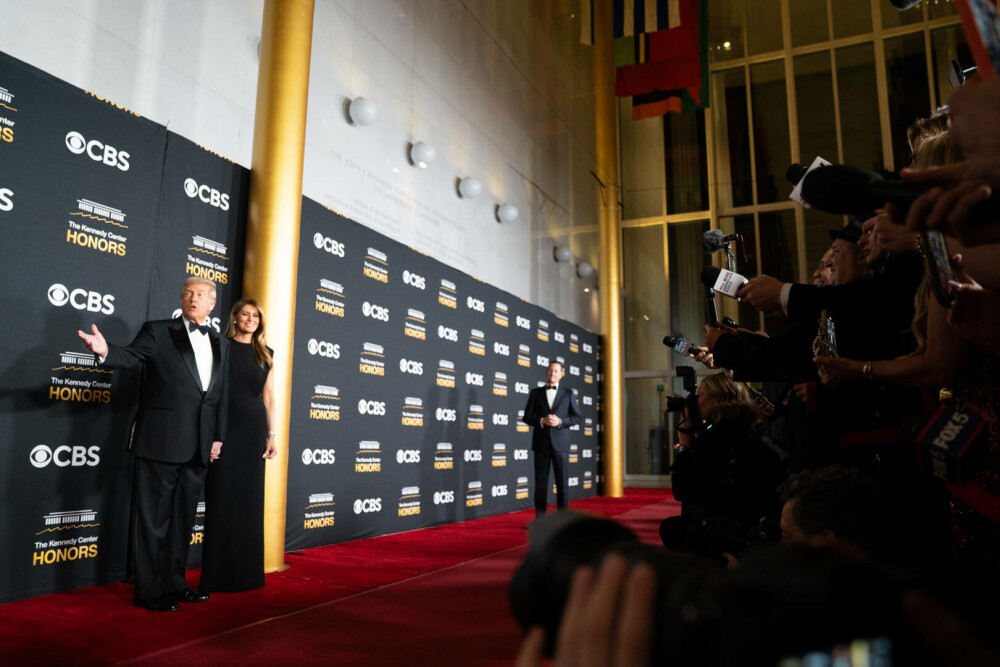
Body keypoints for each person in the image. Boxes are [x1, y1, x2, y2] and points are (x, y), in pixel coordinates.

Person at [77, 277, 228, 611]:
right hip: (161, 440)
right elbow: (131, 356)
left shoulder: (220, 341)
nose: (193, 298)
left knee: (183, 521)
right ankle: (148, 591)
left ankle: (175, 583)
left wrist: (218, 436)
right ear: (181, 299)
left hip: (200, 445)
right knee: (153, 521)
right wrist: (105, 350)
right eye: (187, 293)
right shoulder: (158, 331)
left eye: (200, 294)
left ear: (212, 303)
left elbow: (221, 394)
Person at [198, 298, 277, 594]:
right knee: (221, 498)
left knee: (249, 501)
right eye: (245, 314)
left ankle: (248, 575)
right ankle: (217, 576)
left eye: (255, 316)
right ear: (234, 317)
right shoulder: (220, 346)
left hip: (253, 431)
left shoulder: (266, 353)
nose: (250, 319)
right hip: (223, 429)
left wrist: (272, 434)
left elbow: (269, 397)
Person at [521, 361, 582, 517]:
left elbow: (577, 417)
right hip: (541, 445)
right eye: (550, 370)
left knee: (562, 483)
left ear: (561, 374)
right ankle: (540, 519)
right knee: (540, 484)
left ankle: (562, 519)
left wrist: (560, 421)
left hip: (561, 445)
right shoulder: (535, 393)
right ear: (546, 372)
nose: (552, 374)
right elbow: (526, 417)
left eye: (556, 371)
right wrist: (542, 421)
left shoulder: (568, 394)